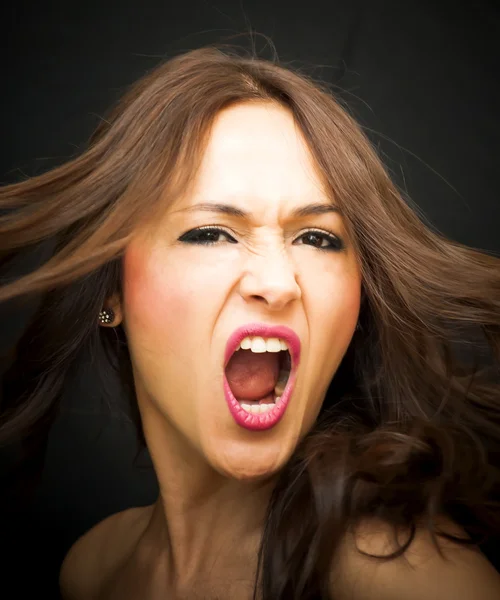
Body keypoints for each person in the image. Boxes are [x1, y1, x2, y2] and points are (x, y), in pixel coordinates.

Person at [0, 43, 499, 600]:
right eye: (211, 232)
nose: (280, 282)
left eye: (317, 238)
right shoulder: (91, 570)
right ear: (111, 288)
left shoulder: (412, 581)